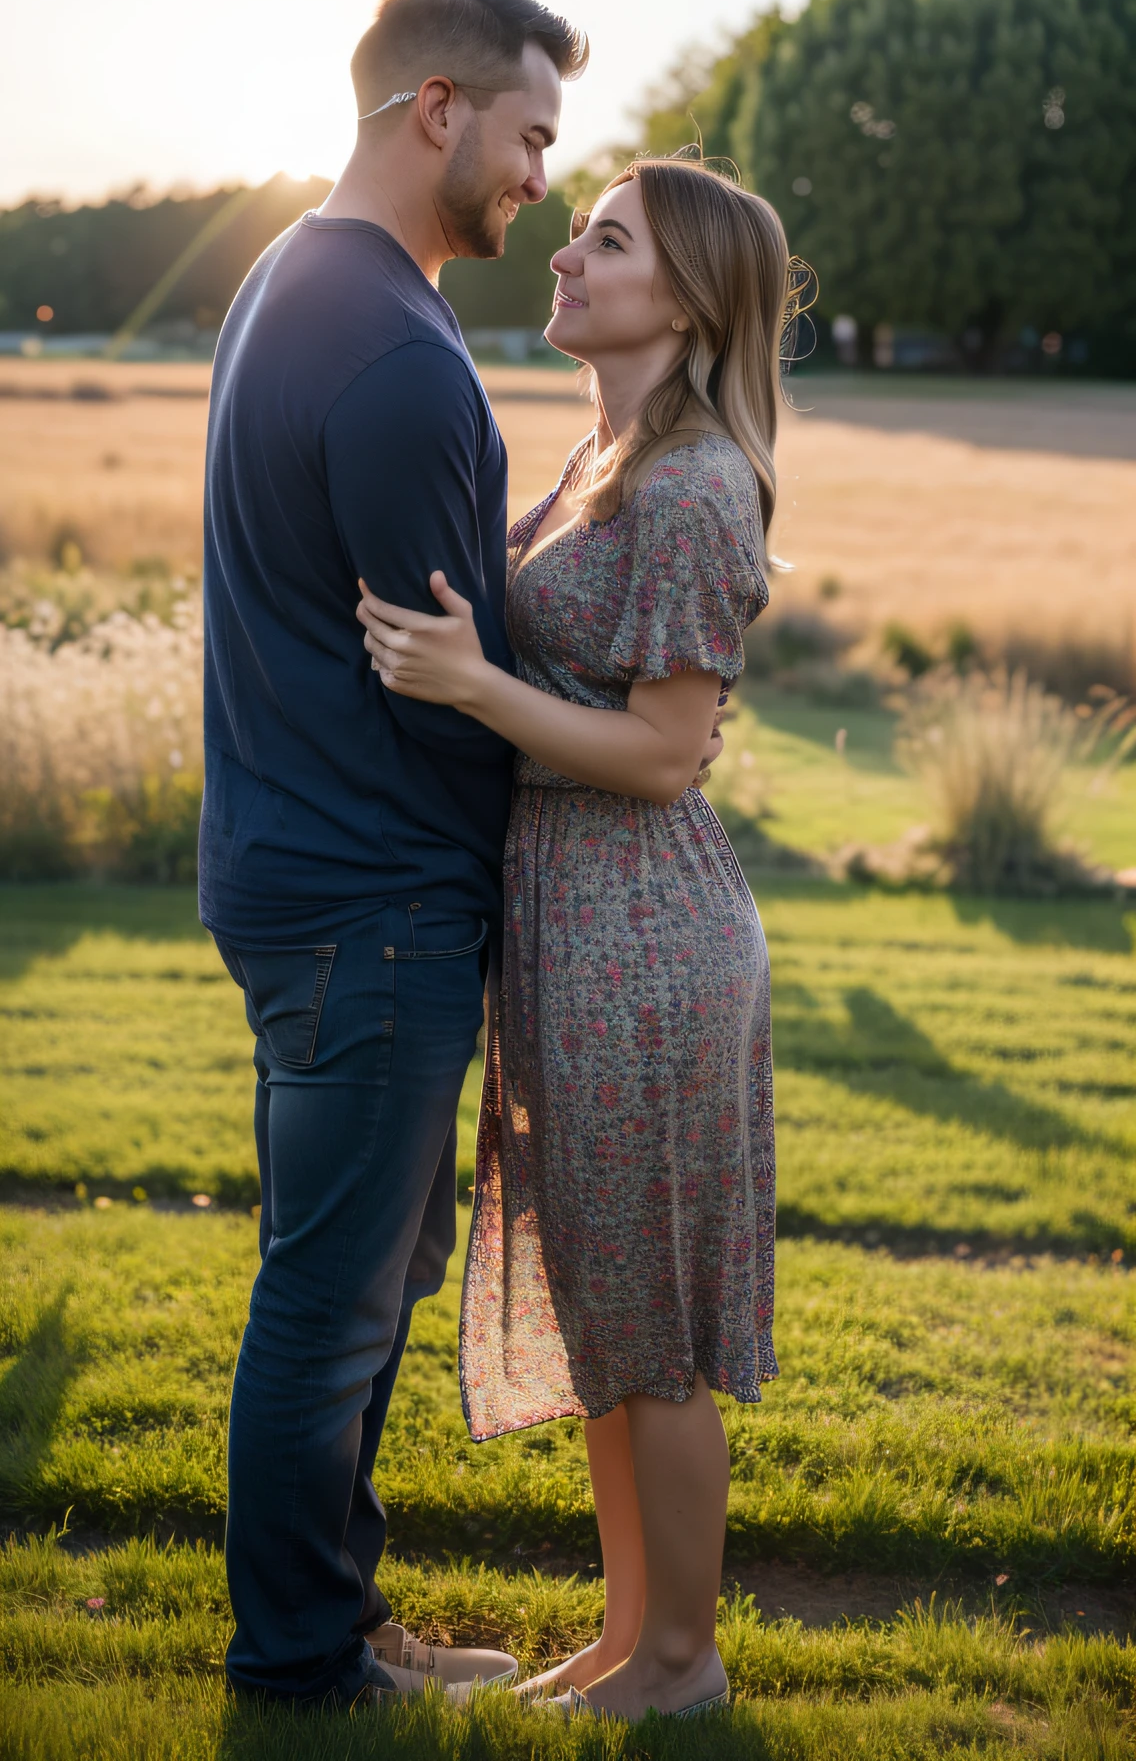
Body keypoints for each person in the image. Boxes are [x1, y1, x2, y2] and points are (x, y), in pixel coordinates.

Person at [357, 155, 795, 1722]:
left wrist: (474, 685)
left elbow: (670, 750)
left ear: (681, 297)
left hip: (643, 931)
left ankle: (682, 1658)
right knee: (612, 1298)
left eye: (605, 239)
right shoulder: (605, 457)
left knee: (655, 1317)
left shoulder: (683, 486)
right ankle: (626, 1640)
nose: (565, 248)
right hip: (574, 919)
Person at [199, 0, 587, 1709]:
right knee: (338, 1300)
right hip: (372, 895)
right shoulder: (388, 351)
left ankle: (328, 1622)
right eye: (527, 134)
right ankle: (301, 1658)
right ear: (437, 110)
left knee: (349, 1274)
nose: (538, 179)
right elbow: (449, 673)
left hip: (304, 865)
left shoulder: (297, 277)